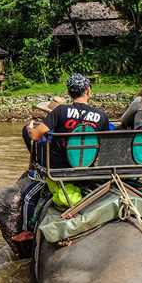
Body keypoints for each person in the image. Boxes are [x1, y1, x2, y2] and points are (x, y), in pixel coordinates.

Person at [24, 73, 110, 210]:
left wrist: (29, 129)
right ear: (88, 91)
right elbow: (106, 147)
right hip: (89, 168)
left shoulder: (61, 111)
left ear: (69, 93)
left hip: (60, 168)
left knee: (26, 129)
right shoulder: (102, 116)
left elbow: (35, 136)